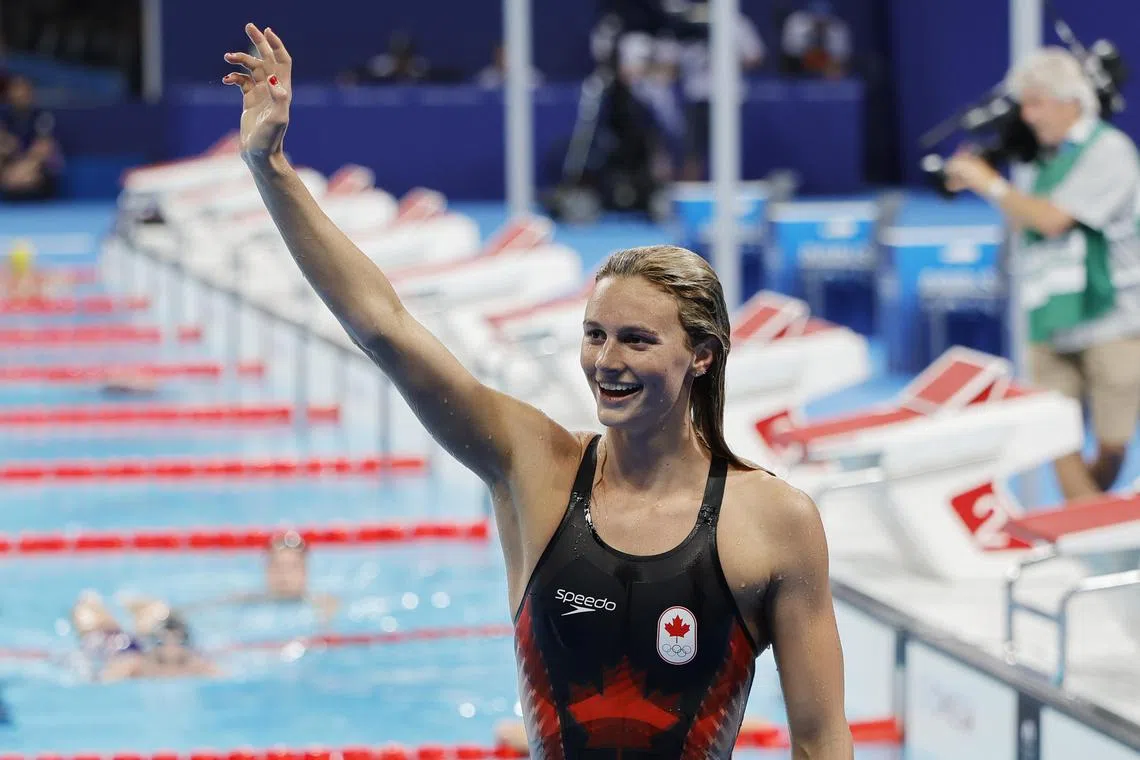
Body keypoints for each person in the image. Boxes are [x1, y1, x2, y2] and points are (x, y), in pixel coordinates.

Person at [224, 24, 851, 758]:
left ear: (703, 357)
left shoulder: (774, 520)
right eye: (595, 334)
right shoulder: (535, 468)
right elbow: (386, 329)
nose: (606, 362)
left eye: (637, 340)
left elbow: (820, 739)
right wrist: (270, 168)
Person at [945, 47, 1140, 502]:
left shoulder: (1110, 151)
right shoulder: (1035, 161)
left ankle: (1088, 520)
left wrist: (989, 183)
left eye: (1036, 104)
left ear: (1070, 101)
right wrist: (983, 179)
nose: (1027, 116)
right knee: (1057, 435)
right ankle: (1086, 532)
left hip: (1111, 318)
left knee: (1112, 446)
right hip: (1047, 318)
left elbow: (1053, 219)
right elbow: (1023, 218)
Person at [175, 531, 339, 622]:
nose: (284, 575)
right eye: (277, 566)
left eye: (292, 567)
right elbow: (203, 609)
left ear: (305, 571)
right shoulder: (248, 600)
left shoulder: (323, 605)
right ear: (267, 570)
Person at [0, 75, 62, 201]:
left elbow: (42, 150)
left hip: (35, 171)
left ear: (30, 92)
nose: (19, 94)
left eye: (23, 90)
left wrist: (20, 172)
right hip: (10, 171)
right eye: (16, 90)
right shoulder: (5, 117)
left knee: (33, 175)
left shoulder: (42, 116)